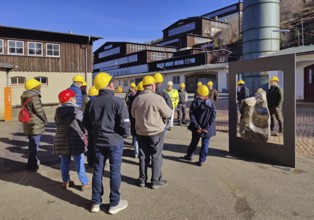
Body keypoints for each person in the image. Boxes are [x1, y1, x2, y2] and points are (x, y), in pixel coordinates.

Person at [83, 72, 130, 215]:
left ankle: (96, 202)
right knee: (115, 171)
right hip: (115, 141)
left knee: (98, 170)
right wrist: (124, 135)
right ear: (110, 84)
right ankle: (114, 204)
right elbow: (125, 124)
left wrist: (96, 133)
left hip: (98, 141)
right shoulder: (118, 101)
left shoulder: (91, 102)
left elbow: (86, 124)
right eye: (112, 82)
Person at [131, 76, 172, 189]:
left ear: (143, 86)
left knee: (143, 156)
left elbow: (133, 114)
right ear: (153, 85)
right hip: (156, 132)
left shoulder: (137, 99)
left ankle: (142, 180)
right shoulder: (157, 98)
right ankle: (155, 181)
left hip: (141, 132)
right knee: (156, 156)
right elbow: (168, 113)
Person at [53, 89, 90, 190]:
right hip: (75, 138)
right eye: (74, 97)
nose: (75, 99)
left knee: (65, 161)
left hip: (61, 138)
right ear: (71, 99)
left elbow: (57, 123)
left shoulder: (58, 111)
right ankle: (84, 183)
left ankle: (65, 181)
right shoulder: (77, 110)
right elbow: (84, 124)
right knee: (79, 161)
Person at [183, 85, 216, 167]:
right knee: (205, 143)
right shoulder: (211, 103)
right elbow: (213, 116)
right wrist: (207, 127)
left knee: (194, 142)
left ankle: (189, 156)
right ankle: (202, 160)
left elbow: (192, 116)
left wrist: (197, 127)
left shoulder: (195, 103)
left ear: (198, 93)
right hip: (207, 128)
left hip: (196, 128)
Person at [20, 78, 48, 171]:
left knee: (32, 145)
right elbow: (39, 111)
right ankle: (32, 165)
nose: (40, 87)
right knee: (34, 146)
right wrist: (45, 120)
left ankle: (32, 162)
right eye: (38, 85)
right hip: (35, 124)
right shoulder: (34, 97)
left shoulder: (25, 96)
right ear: (34, 87)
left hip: (28, 122)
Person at [128, 81, 144, 158]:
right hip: (142, 122)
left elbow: (130, 110)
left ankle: (136, 153)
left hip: (134, 120)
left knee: (135, 137)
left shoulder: (132, 98)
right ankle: (141, 152)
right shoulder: (143, 98)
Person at [85, 86, 99, 167]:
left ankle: (90, 161)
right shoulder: (98, 103)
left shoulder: (89, 104)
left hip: (90, 129)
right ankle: (96, 161)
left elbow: (85, 118)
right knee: (97, 146)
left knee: (90, 145)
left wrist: (87, 127)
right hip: (97, 128)